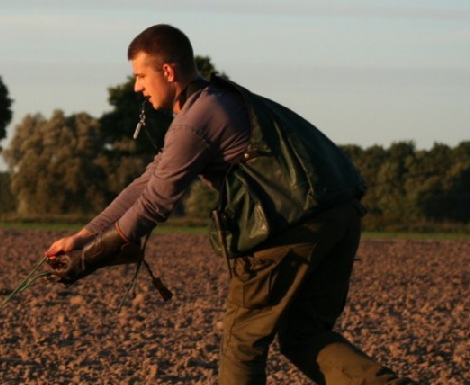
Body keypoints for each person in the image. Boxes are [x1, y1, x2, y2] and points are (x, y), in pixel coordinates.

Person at [45, 24, 411, 384]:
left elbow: (155, 203)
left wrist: (89, 259)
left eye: (141, 76)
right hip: (341, 215)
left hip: (290, 229)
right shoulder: (218, 101)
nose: (137, 87)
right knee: (304, 334)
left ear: (168, 71)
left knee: (242, 344)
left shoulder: (193, 122)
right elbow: (147, 182)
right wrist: (85, 235)